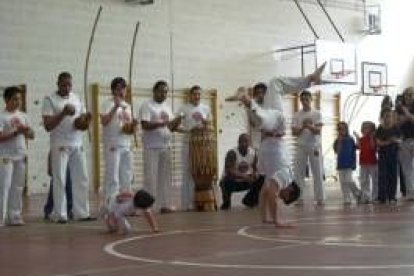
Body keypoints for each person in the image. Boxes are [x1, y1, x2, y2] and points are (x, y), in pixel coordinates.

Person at [237, 90, 300, 227]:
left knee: (263, 120)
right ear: (290, 190)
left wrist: (265, 218)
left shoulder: (277, 176)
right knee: (265, 119)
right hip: (271, 143)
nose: (280, 197)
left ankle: (248, 102)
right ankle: (248, 102)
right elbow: (271, 194)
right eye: (284, 197)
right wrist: (277, 220)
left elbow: (265, 195)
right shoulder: (286, 176)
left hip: (270, 144)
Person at [42, 71, 94, 223]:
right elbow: (47, 126)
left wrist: (86, 120)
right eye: (64, 84)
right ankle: (60, 214)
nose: (67, 87)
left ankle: (82, 213)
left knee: (82, 178)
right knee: (59, 178)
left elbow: (80, 124)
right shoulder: (49, 100)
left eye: (69, 84)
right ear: (57, 83)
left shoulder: (76, 98)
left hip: (77, 143)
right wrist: (63, 113)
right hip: (59, 144)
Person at [139, 80, 182, 213]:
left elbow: (171, 126)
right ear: (154, 91)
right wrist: (161, 124)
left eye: (165, 92)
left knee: (165, 177)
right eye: (161, 91)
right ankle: (148, 206)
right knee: (150, 177)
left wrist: (179, 122)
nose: (163, 94)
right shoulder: (147, 105)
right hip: (151, 146)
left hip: (165, 146)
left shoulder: (167, 107)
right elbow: (144, 125)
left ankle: (165, 204)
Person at [0, 86, 34, 226]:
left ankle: (15, 216)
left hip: (20, 155)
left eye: (19, 99)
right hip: (5, 156)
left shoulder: (24, 116)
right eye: (15, 99)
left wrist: (27, 131)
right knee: (4, 186)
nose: (18, 102)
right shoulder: (2, 116)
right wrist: (16, 132)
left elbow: (32, 136)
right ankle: (1, 218)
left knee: (18, 186)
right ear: (6, 100)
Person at [100, 77, 137, 205]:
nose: (121, 91)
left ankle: (126, 204)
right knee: (113, 176)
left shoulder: (128, 106)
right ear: (113, 90)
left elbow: (127, 126)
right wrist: (115, 107)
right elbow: (104, 122)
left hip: (126, 144)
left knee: (127, 175)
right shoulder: (107, 103)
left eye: (123, 88)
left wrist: (133, 127)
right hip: (113, 144)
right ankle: (111, 205)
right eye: (118, 88)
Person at [176, 85, 211, 211]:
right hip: (188, 144)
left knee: (200, 173)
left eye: (199, 94)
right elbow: (175, 127)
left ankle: (199, 201)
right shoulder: (183, 108)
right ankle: (187, 203)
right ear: (190, 95)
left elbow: (209, 127)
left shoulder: (206, 108)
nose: (197, 96)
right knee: (187, 173)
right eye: (194, 94)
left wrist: (206, 127)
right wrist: (189, 130)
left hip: (202, 145)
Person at [292, 90, 325, 205]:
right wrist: (302, 127)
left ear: (311, 100)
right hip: (301, 146)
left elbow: (318, 130)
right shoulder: (297, 115)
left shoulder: (317, 114)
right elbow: (294, 132)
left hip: (314, 146)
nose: (305, 101)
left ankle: (320, 198)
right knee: (298, 173)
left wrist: (309, 126)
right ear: (300, 100)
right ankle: (299, 197)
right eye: (303, 99)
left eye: (307, 99)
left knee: (317, 171)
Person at [219, 133, 264, 210]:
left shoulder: (253, 153)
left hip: (247, 180)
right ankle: (226, 202)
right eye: (242, 142)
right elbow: (229, 170)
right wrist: (244, 176)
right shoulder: (232, 153)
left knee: (261, 179)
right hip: (233, 180)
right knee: (225, 181)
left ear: (250, 143)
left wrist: (255, 174)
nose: (244, 144)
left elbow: (256, 168)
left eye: (246, 141)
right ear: (238, 143)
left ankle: (249, 200)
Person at [333, 122, 362, 205]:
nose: (341, 131)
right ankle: (346, 197)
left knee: (349, 180)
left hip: (349, 163)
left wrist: (357, 138)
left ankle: (357, 193)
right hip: (341, 164)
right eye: (339, 129)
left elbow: (358, 147)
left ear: (346, 129)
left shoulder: (350, 139)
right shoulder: (337, 140)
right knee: (342, 182)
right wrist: (339, 141)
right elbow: (337, 151)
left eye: (343, 129)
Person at [376, 108, 401, 204]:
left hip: (394, 156)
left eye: (390, 116)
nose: (388, 118)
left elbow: (400, 140)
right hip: (383, 157)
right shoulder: (380, 129)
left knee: (393, 176)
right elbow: (378, 143)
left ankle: (392, 196)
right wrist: (388, 141)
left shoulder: (396, 128)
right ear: (382, 118)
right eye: (386, 116)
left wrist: (396, 140)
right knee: (382, 176)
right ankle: (382, 197)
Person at [43, 152, 73, 220]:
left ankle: (69, 209)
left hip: (69, 157)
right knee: (57, 183)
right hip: (59, 156)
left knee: (68, 182)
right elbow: (52, 150)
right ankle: (49, 209)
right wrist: (50, 165)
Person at [396, 87, 414, 200]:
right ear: (404, 96)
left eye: (412, 94)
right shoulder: (398, 109)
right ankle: (410, 192)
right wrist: (407, 117)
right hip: (404, 140)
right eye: (407, 94)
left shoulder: (402, 109)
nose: (410, 97)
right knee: (407, 168)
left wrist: (406, 112)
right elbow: (397, 122)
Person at [353, 121, 377, 203]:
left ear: (372, 129)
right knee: (363, 180)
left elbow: (373, 147)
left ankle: (375, 197)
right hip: (363, 162)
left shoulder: (373, 138)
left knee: (374, 180)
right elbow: (359, 147)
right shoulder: (361, 139)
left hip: (372, 162)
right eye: (363, 127)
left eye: (367, 127)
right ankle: (366, 196)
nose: (364, 129)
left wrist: (371, 137)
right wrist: (357, 138)